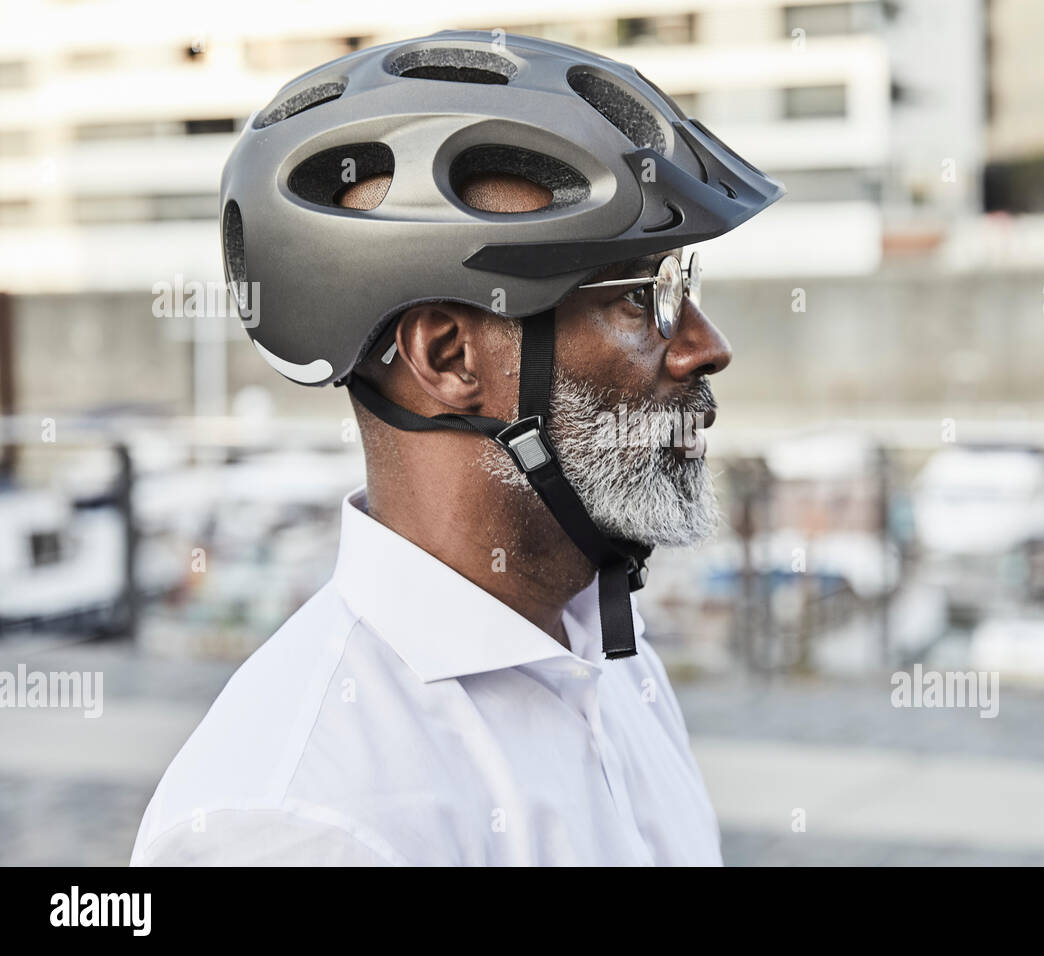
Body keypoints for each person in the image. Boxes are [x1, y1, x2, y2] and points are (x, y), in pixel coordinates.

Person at [130, 29, 784, 865]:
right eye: (643, 297)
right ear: (449, 358)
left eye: (685, 285)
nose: (703, 344)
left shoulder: (612, 657)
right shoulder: (297, 819)